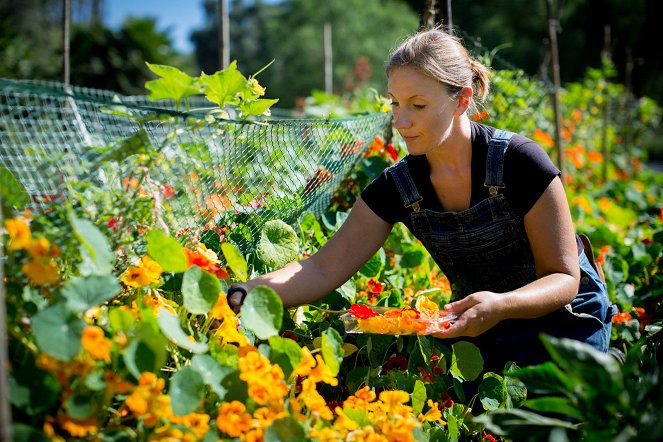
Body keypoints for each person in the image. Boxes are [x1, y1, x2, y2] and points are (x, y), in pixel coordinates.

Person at [227, 26, 615, 374]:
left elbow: (563, 278)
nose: (400, 121)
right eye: (395, 103)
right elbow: (322, 269)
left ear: (462, 100)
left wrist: (500, 305)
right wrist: (246, 291)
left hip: (564, 323)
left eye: (418, 105)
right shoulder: (400, 185)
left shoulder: (520, 162)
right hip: (479, 325)